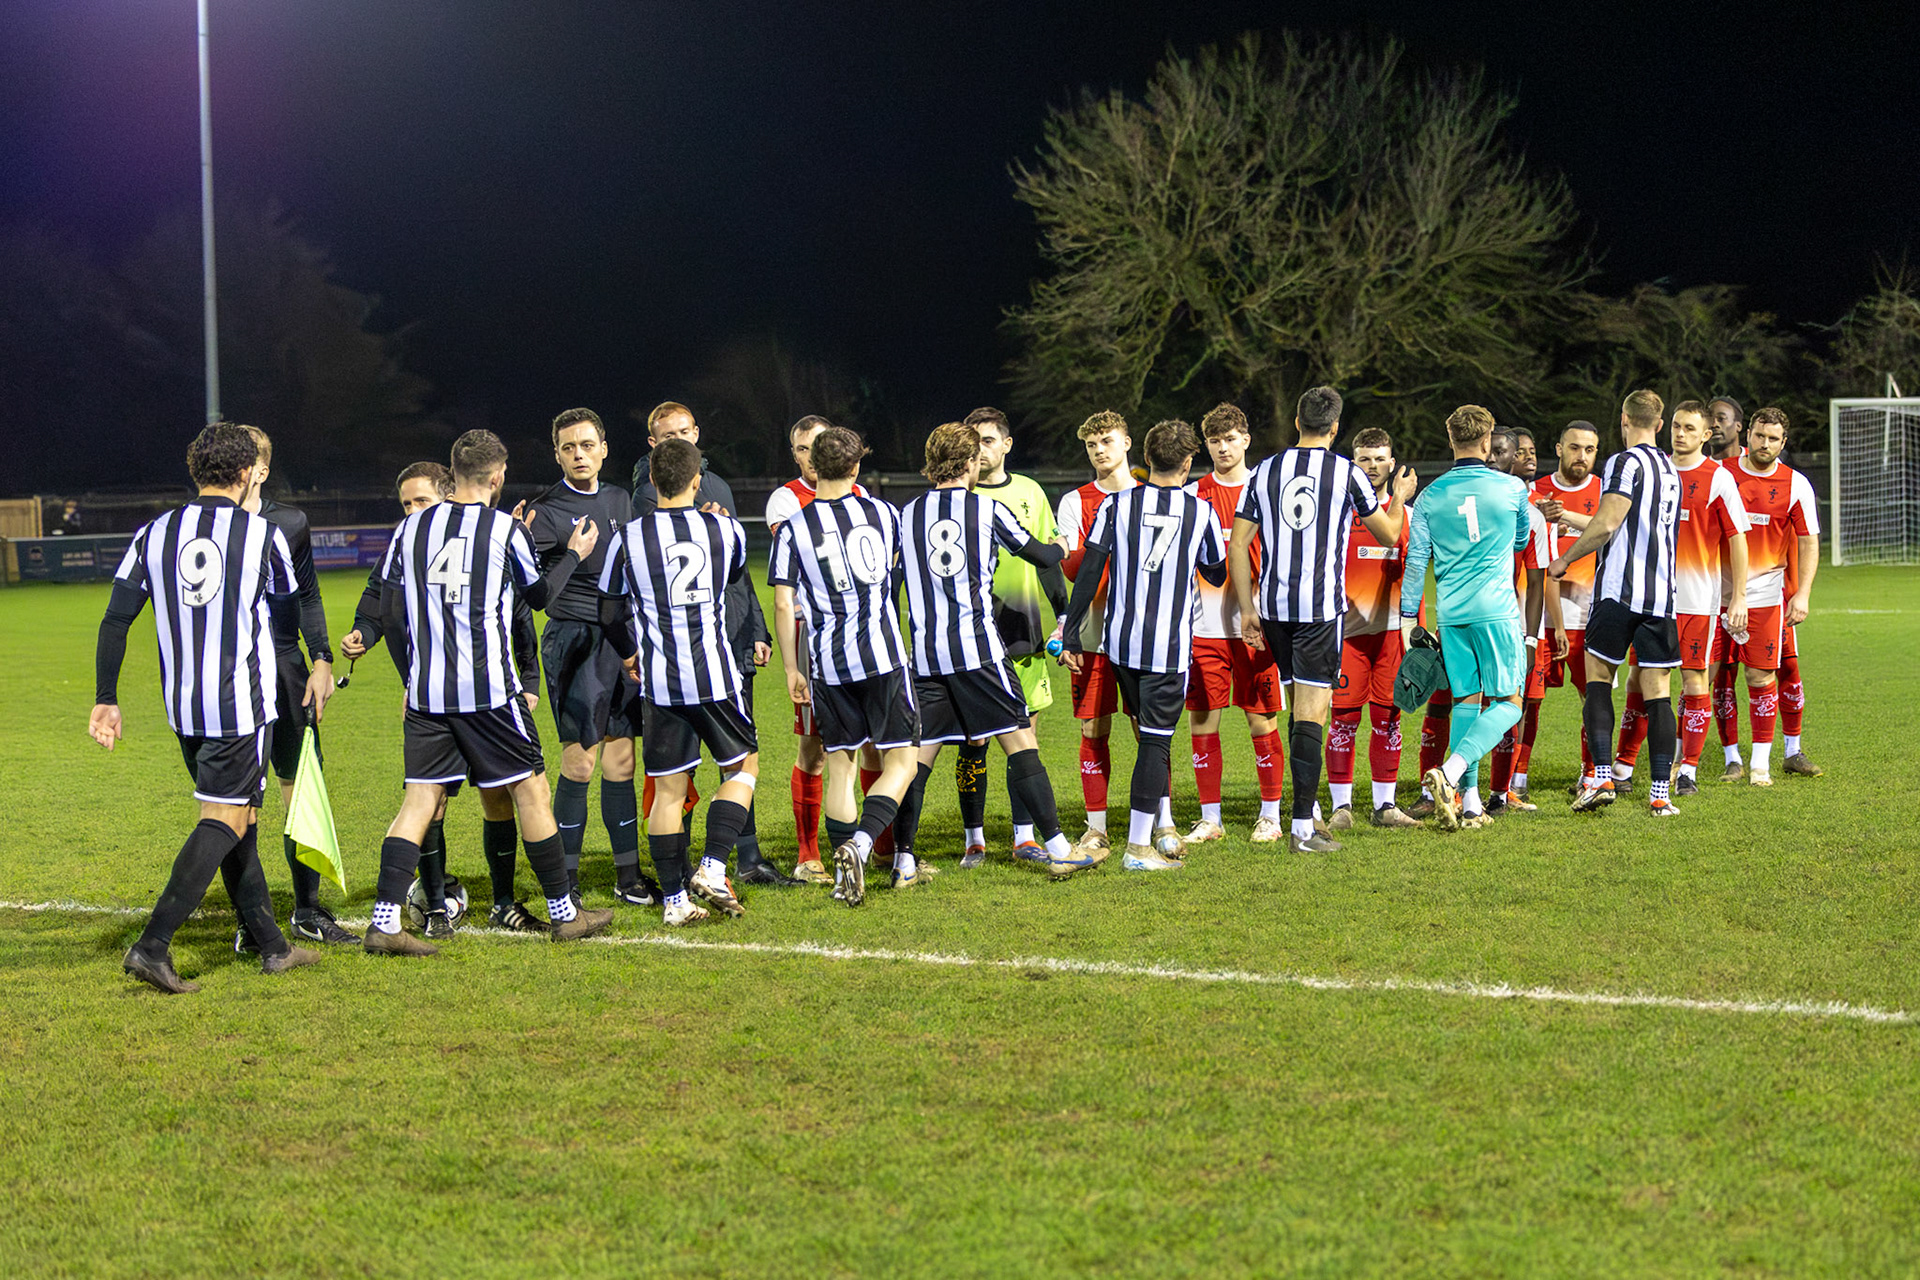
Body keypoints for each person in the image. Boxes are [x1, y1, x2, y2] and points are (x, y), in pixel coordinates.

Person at [91, 423, 322, 993]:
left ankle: (272, 946)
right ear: (246, 473)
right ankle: (152, 946)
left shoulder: (153, 533)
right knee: (223, 821)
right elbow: (286, 622)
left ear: (196, 472)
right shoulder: (263, 535)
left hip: (183, 709)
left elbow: (116, 619)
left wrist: (106, 698)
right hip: (240, 706)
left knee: (238, 821)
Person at [365, 430, 613, 954]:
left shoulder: (410, 528)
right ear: (497, 477)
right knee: (532, 792)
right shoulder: (504, 530)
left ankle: (384, 923)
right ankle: (564, 914)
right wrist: (573, 554)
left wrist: (411, 675)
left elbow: (388, 609)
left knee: (419, 801)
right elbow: (539, 597)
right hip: (490, 695)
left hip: (428, 696)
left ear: (452, 473)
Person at [342, 462, 553, 935]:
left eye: (421, 501)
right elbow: (379, 600)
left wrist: (529, 680)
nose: (412, 511)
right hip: (434, 694)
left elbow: (519, 616)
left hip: (482, 694)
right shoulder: (410, 540)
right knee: (431, 803)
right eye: (406, 504)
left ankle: (503, 902)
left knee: (496, 795)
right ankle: (435, 906)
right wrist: (364, 634)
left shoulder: (482, 539)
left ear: (448, 494)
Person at [890, 422, 1082, 881]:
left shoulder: (906, 514)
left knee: (917, 760)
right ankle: (1059, 847)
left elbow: (891, 584)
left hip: (926, 657)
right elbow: (1042, 556)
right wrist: (1062, 543)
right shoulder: (986, 508)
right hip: (979, 652)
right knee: (1021, 741)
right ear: (971, 462)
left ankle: (903, 861)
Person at [1232, 387, 1413, 854]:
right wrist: (1399, 498)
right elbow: (1389, 534)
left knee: (1300, 712)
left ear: (1297, 422)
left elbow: (1238, 543)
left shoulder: (1264, 471)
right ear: (1335, 428)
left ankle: (1309, 810)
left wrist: (1247, 608)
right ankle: (1302, 829)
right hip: (1317, 612)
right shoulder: (1346, 472)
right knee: (1313, 715)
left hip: (1273, 609)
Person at [599, 438, 759, 925]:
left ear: (651, 479)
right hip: (714, 677)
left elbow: (608, 613)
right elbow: (732, 577)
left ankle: (674, 903)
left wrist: (631, 654)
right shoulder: (726, 530)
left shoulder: (628, 538)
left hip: (661, 682)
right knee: (743, 768)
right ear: (697, 480)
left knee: (668, 791)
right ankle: (712, 867)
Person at [632, 401, 790, 885]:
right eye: (668, 435)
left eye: (685, 431)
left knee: (733, 757)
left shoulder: (716, 486)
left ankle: (747, 856)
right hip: (683, 653)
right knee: (687, 771)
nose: (679, 440)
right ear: (653, 445)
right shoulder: (646, 493)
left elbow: (737, 579)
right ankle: (686, 867)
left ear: (697, 433)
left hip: (726, 640)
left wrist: (756, 628)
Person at [1060, 420, 1225, 870]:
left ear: (1146, 458)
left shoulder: (1115, 506)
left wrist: (1071, 632)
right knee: (1154, 743)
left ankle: (1152, 831)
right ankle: (1138, 848)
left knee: (1147, 739)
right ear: (1188, 463)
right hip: (1166, 650)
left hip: (1120, 646)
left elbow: (1089, 570)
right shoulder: (1201, 511)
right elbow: (1215, 572)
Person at [769, 426, 921, 907]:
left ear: (813, 465)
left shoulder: (794, 527)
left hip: (828, 665)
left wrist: (792, 669)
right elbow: (896, 570)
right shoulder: (884, 513)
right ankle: (862, 843)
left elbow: (783, 603)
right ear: (856, 466)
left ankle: (842, 873)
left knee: (841, 768)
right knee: (903, 761)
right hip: (882, 656)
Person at [522, 408, 643, 906]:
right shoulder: (546, 511)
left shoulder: (619, 499)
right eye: (569, 447)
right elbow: (533, 593)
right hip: (574, 642)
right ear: (557, 454)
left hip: (620, 639)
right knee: (580, 763)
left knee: (622, 761)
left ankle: (628, 877)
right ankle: (565, 883)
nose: (579, 455)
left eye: (587, 445)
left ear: (604, 449)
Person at [1400, 406, 1541, 831]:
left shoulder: (1429, 497)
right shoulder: (1512, 488)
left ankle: (1472, 803)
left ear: (1451, 441)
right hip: (1496, 610)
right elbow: (1521, 540)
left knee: (1466, 701)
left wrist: (1408, 619)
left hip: (1451, 613)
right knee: (1510, 704)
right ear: (1486, 441)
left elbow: (1416, 561)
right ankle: (1452, 771)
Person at [234, 426, 347, 946]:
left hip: (284, 667)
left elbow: (308, 595)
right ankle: (250, 922)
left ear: (262, 469)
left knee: (300, 786)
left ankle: (307, 909)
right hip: (233, 671)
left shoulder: (290, 522)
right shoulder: (207, 526)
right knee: (236, 800)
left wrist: (321, 658)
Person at [1547, 391, 1685, 815]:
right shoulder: (1671, 469)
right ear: (1659, 424)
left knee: (1599, 680)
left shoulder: (1624, 463)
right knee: (1658, 694)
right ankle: (1660, 795)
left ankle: (1601, 777)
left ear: (1624, 419)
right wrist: (1567, 518)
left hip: (1618, 592)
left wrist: (1564, 560)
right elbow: (1627, 523)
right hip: (1660, 597)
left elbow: (1607, 525)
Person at [1608, 400, 1750, 795]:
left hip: (1695, 600)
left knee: (1694, 679)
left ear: (1706, 435)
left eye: (1689, 428)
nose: (1680, 433)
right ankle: (1623, 767)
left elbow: (1738, 538)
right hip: (1651, 596)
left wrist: (1738, 596)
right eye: (1676, 426)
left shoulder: (1718, 478)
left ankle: (1687, 769)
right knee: (1639, 678)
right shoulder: (1656, 469)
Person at [764, 414, 883, 883]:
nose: (813, 457)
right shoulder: (786, 501)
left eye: (820, 446)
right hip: (813, 637)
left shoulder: (863, 497)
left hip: (865, 636)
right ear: (795, 455)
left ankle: (881, 849)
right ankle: (808, 854)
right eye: (803, 449)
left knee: (873, 746)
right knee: (814, 748)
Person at [951, 406, 1071, 866]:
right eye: (972, 441)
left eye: (987, 440)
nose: (979, 450)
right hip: (971, 632)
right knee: (973, 741)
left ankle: (1024, 836)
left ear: (1006, 444)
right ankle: (974, 838)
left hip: (1022, 629)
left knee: (1024, 735)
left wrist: (1064, 616)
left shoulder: (1030, 492)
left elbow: (1048, 563)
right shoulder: (957, 495)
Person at [1181, 403, 1289, 844]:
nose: (1223, 448)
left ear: (1246, 439)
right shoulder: (1192, 495)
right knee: (1202, 721)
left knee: (1261, 721)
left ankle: (1270, 815)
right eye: (1214, 441)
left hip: (1257, 628)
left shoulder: (1267, 490)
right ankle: (1211, 818)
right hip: (1204, 628)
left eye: (1230, 439)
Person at [1709, 407, 1820, 787]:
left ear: (1783, 442)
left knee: (1768, 674)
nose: (1765, 444)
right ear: (1748, 435)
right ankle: (1731, 759)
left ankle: (1770, 760)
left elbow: (1809, 542)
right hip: (1716, 596)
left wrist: (1802, 594)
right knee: (1718, 677)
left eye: (1773, 439)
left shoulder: (1796, 484)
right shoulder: (1721, 474)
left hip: (1768, 598)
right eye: (1760, 436)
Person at [1054, 410, 1139, 858]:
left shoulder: (1150, 496)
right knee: (1093, 727)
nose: (1099, 451)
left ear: (1127, 443)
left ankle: (1158, 820)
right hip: (1092, 632)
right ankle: (1097, 827)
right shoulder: (1076, 501)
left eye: (1107, 441)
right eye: (1091, 445)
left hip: (1141, 632)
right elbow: (1073, 569)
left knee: (1148, 727)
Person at [1327, 428, 1420, 829]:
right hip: (1346, 634)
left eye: (1381, 459)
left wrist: (1417, 631)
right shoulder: (1338, 514)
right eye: (1365, 459)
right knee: (1343, 720)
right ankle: (1341, 807)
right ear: (1353, 463)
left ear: (1392, 463)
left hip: (1392, 633)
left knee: (1388, 718)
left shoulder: (1409, 516)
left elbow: (1416, 575)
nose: (1373, 466)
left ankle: (1385, 806)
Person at [1530, 420, 1605, 786]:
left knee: (1593, 698)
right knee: (1527, 701)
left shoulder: (1605, 492)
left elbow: (1611, 531)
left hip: (1589, 617)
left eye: (1589, 450)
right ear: (1559, 449)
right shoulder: (1535, 491)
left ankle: (1591, 773)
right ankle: (1516, 778)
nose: (1581, 456)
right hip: (1538, 618)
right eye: (1574, 448)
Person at [1708, 396, 1747, 463]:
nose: (1714, 425)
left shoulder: (1756, 461)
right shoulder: (1697, 467)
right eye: (1709, 420)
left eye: (1721, 419)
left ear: (1738, 426)